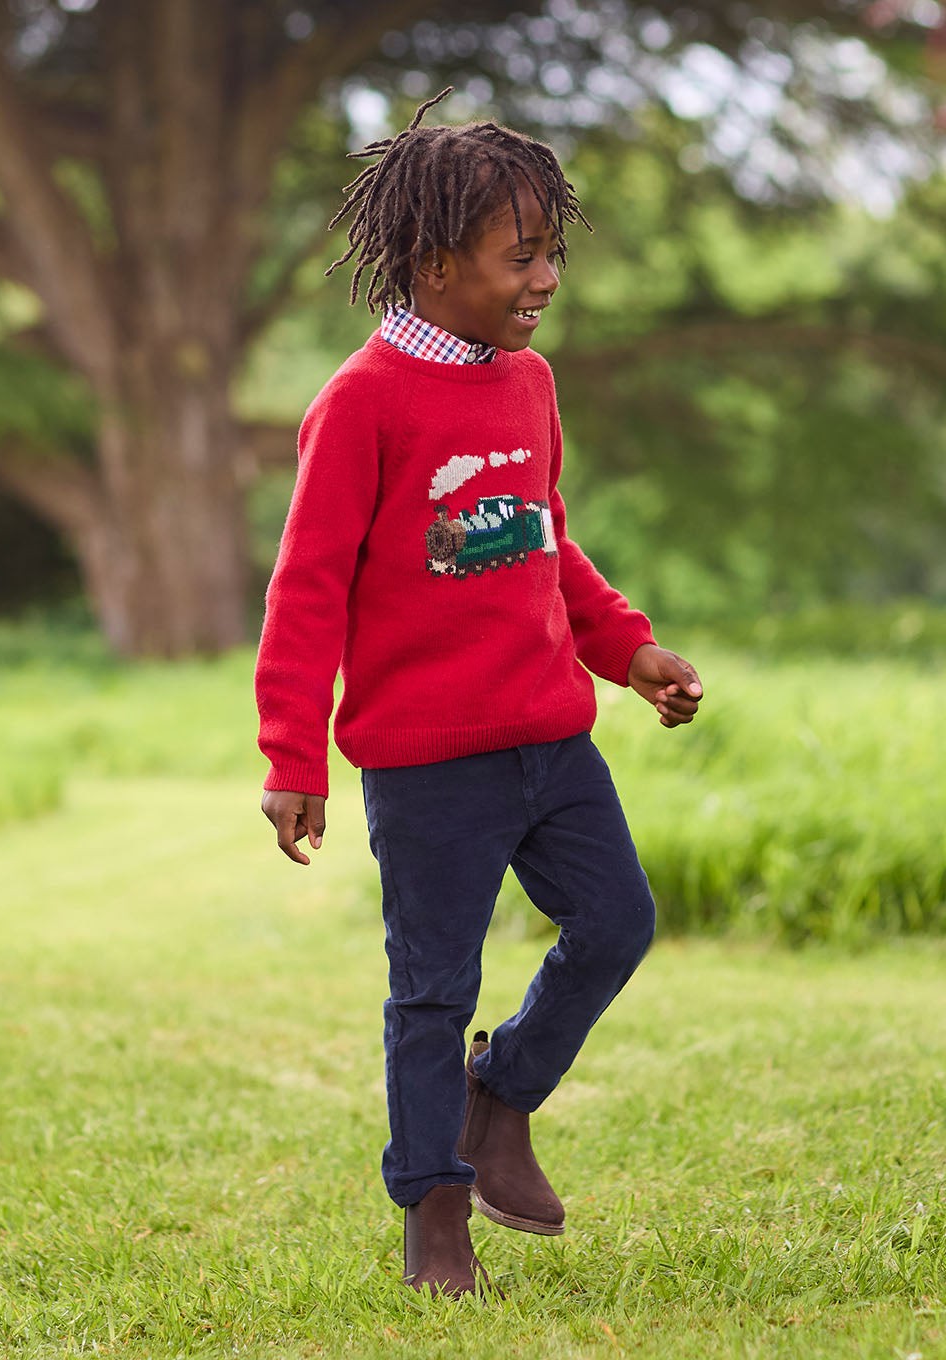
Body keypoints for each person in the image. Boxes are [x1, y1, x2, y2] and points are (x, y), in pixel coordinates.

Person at [255, 89, 703, 1299]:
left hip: (551, 738)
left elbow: (544, 540)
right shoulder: (360, 403)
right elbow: (306, 592)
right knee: (431, 987)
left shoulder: (526, 384)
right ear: (435, 261)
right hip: (424, 759)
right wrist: (292, 756)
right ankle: (433, 1209)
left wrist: (629, 650)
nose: (547, 275)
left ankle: (496, 1098)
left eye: (551, 250)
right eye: (524, 256)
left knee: (617, 924)